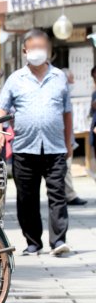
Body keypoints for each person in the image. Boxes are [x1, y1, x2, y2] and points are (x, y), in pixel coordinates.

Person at [0, 29, 72, 256]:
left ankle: (59, 241)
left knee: (57, 195)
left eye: (42, 47)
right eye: (33, 47)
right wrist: (1, 131)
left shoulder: (59, 77)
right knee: (26, 198)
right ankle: (33, 242)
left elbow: (67, 113)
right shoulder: (15, 79)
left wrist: (69, 142)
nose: (38, 52)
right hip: (24, 147)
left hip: (55, 146)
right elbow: (2, 108)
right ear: (25, 50)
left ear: (48, 49)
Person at [61, 68, 87, 206]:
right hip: (62, 140)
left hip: (66, 139)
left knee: (66, 169)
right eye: (71, 79)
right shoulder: (61, 95)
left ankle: (66, 194)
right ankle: (69, 195)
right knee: (66, 168)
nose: (73, 82)